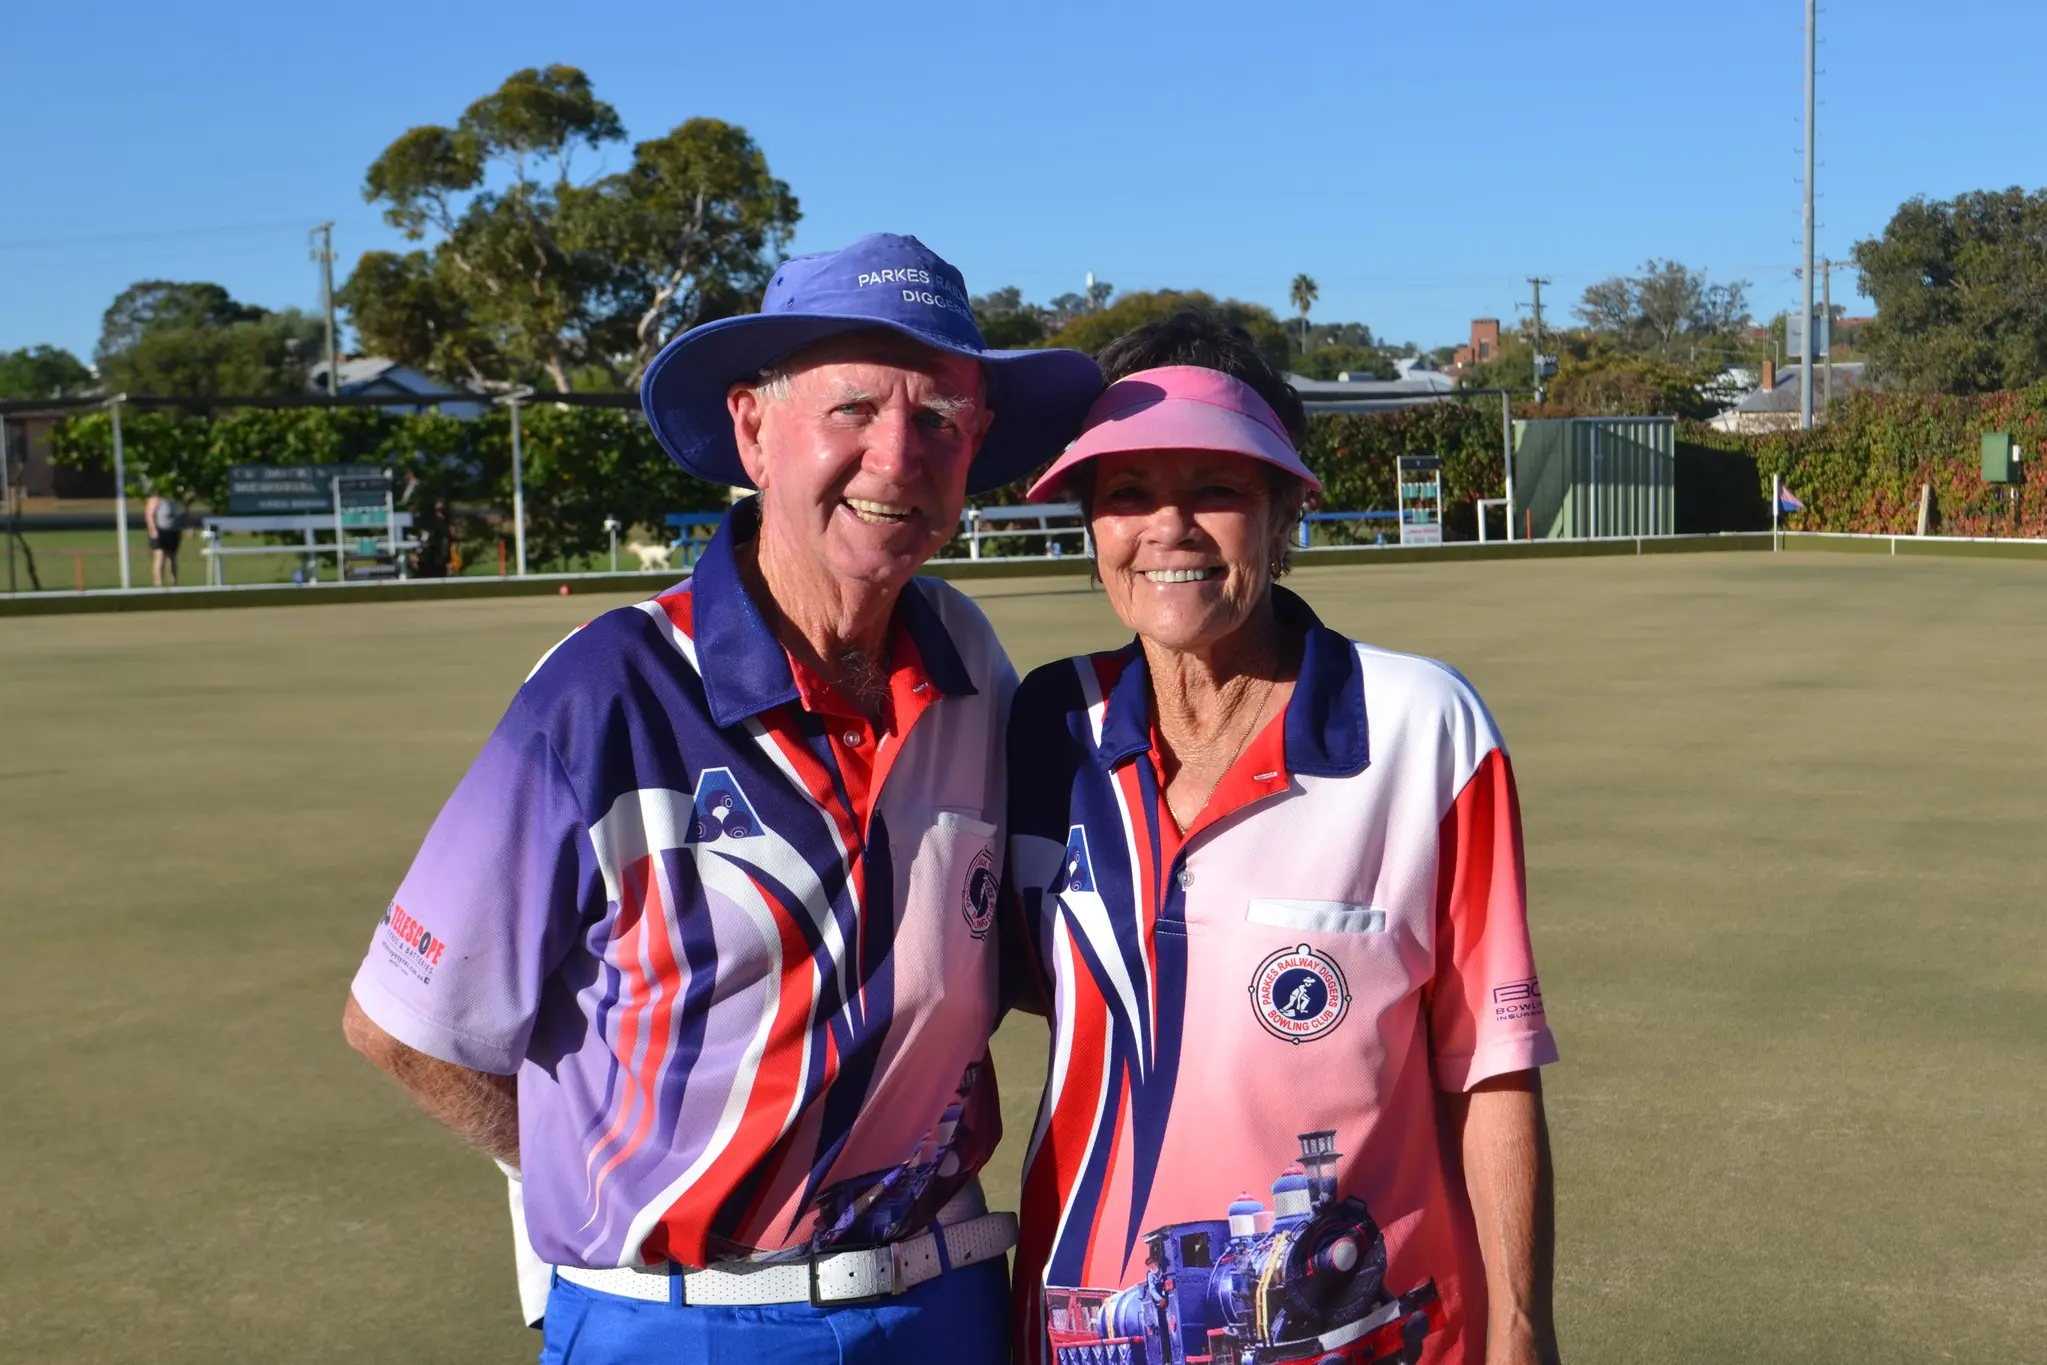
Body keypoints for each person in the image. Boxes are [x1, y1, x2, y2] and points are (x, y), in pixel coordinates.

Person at [341, 233, 1101, 1364]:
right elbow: (405, 1026)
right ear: (752, 427)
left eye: (940, 416)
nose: (898, 456)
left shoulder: (968, 657)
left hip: (945, 1302)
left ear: (976, 442)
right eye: (854, 409)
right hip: (678, 1325)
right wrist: (597, 1174)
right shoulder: (609, 691)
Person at [1002, 315, 1562, 1365]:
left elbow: (1491, 1067)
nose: (1167, 528)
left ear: (1283, 510)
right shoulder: (1046, 728)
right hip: (1082, 1335)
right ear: (1088, 523)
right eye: (1125, 493)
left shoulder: (1422, 727)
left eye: (1215, 485)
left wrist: (1522, 1332)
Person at [143, 487, 181, 586]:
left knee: (172, 557)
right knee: (160, 556)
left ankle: (174, 582)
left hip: (173, 531)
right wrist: (153, 529)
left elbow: (182, 515)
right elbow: (149, 515)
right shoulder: (155, 500)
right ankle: (159, 582)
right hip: (160, 531)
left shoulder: (174, 501)